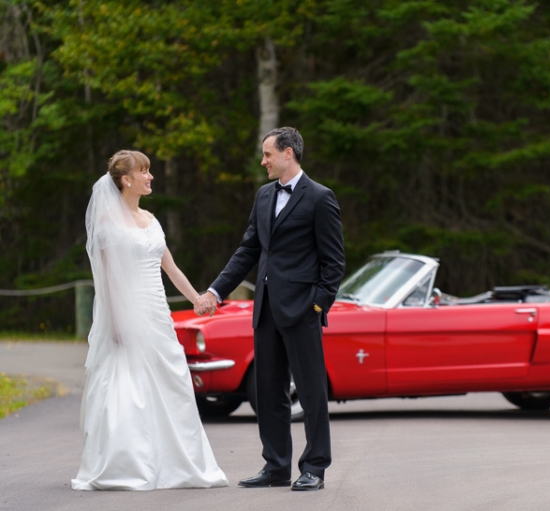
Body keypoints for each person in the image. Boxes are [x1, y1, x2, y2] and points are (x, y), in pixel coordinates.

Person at [195, 127, 345, 491]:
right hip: (265, 311)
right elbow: (248, 251)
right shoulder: (263, 196)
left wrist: (317, 305)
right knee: (268, 391)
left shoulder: (320, 198)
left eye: (267, 154)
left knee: (310, 392)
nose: (263, 161)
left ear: (288, 153)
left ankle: (314, 468)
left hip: (302, 311)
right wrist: (216, 290)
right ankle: (276, 466)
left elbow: (334, 262)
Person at [72, 150, 228, 491]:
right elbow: (108, 279)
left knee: (170, 381)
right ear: (126, 179)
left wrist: (197, 299)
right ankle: (128, 462)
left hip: (158, 312)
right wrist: (115, 323)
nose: (150, 177)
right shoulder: (107, 224)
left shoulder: (151, 219)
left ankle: (176, 462)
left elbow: (169, 267)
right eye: (144, 172)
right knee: (128, 387)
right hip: (126, 312)